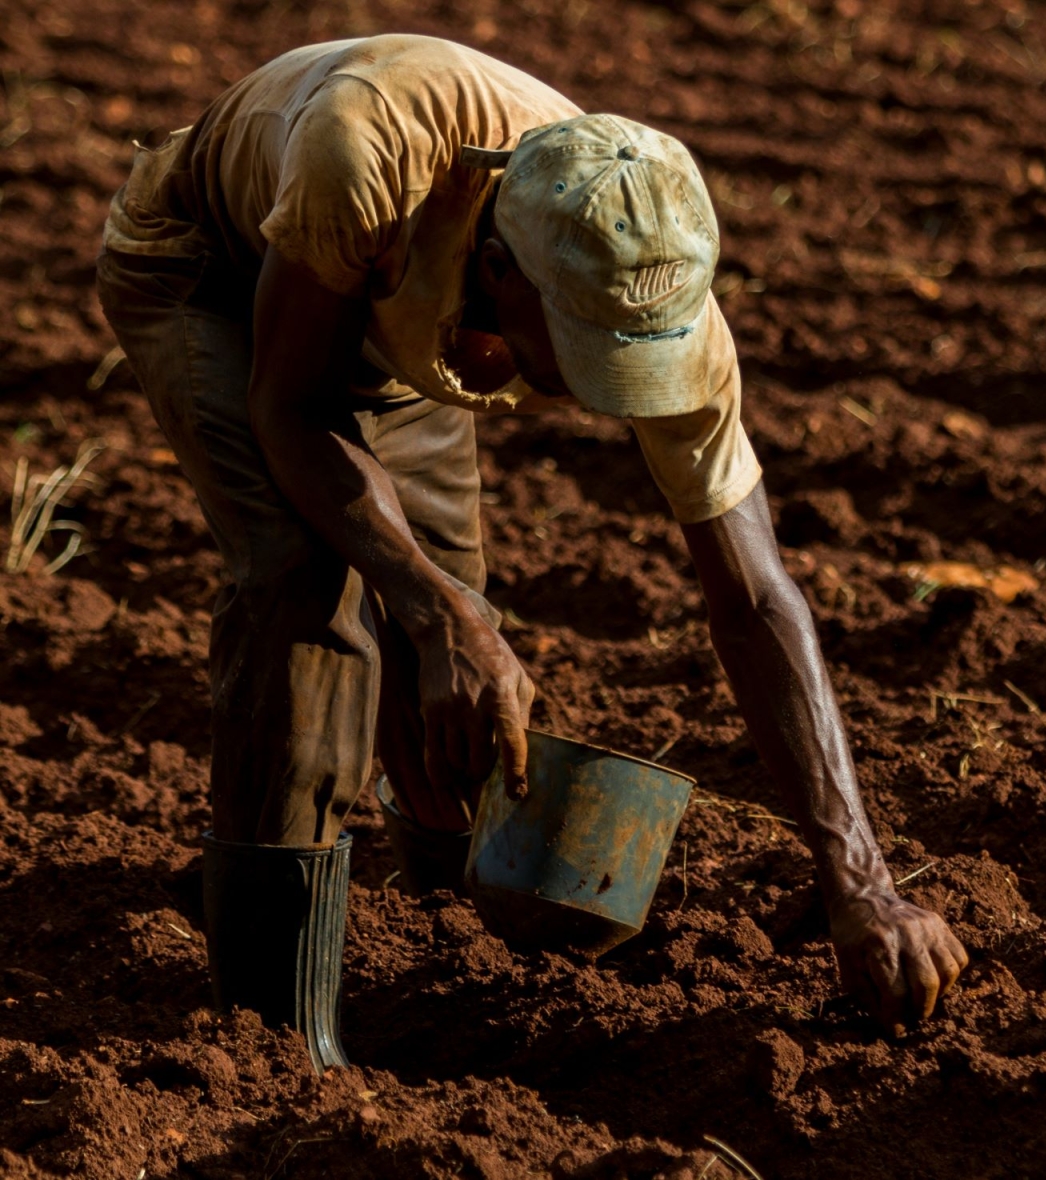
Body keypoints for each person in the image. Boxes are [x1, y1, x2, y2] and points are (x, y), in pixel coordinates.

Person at [97, 34, 967, 1071]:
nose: (611, 389)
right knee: (309, 587)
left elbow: (756, 596)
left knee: (448, 637)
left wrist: (858, 879)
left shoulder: (652, 270)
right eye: (587, 351)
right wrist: (428, 609)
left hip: (396, 323)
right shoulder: (365, 154)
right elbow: (290, 407)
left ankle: (431, 933)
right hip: (213, 268)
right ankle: (275, 1035)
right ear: (500, 270)